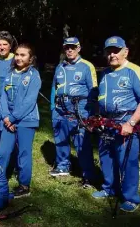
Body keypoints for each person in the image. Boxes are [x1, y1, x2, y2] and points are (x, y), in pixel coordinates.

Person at [91, 36, 140, 212]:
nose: (112, 54)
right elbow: (99, 99)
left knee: (127, 161)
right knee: (106, 158)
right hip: (106, 124)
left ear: (125, 51)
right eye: (109, 51)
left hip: (126, 125)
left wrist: (131, 123)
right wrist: (97, 118)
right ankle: (109, 188)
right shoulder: (104, 73)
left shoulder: (134, 71)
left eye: (116, 50)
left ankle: (130, 198)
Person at [50, 37, 97, 188]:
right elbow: (53, 87)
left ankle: (88, 175)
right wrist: (52, 108)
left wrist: (91, 113)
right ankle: (63, 165)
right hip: (60, 109)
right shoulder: (60, 66)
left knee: (82, 143)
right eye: (67, 48)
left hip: (80, 109)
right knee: (60, 139)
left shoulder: (86, 66)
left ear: (79, 48)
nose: (69, 50)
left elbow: (94, 91)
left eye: (72, 47)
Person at [0, 43, 41, 197]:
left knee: (23, 153)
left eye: (23, 55)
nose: (18, 57)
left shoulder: (33, 75)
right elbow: (3, 97)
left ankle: (24, 186)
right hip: (8, 120)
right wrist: (5, 117)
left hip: (26, 120)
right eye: (17, 54)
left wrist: (13, 117)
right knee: (3, 152)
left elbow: (29, 102)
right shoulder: (10, 73)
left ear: (30, 59)